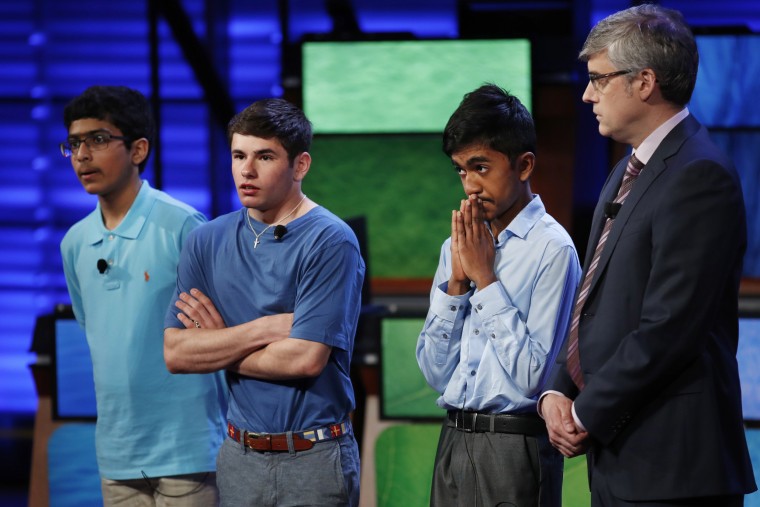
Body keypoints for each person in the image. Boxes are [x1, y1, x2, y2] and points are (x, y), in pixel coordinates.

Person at [540, 5, 757, 506]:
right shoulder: (629, 169)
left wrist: (585, 412)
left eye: (598, 79)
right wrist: (557, 391)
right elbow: (592, 300)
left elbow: (670, 326)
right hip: (624, 458)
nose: (586, 94)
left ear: (644, 82)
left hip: (673, 465)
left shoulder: (700, 175)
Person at [163, 97, 364, 507]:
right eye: (239, 155)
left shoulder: (330, 240)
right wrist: (261, 330)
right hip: (239, 455)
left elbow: (304, 360)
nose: (246, 170)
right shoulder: (206, 240)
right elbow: (176, 353)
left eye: (264, 156)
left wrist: (217, 346)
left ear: (300, 165)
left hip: (314, 457)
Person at [59, 85, 227, 505]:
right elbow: (92, 327)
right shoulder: (74, 243)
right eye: (75, 143)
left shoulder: (183, 226)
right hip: (117, 455)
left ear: (138, 150)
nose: (82, 155)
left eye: (98, 140)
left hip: (188, 450)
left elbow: (218, 333)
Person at [416, 84, 581, 507]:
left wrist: (485, 280)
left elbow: (534, 380)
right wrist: (455, 285)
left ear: (524, 165)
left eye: (481, 167)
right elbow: (435, 373)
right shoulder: (455, 245)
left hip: (515, 446)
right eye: (460, 170)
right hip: (452, 437)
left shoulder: (553, 249)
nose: (469, 184)